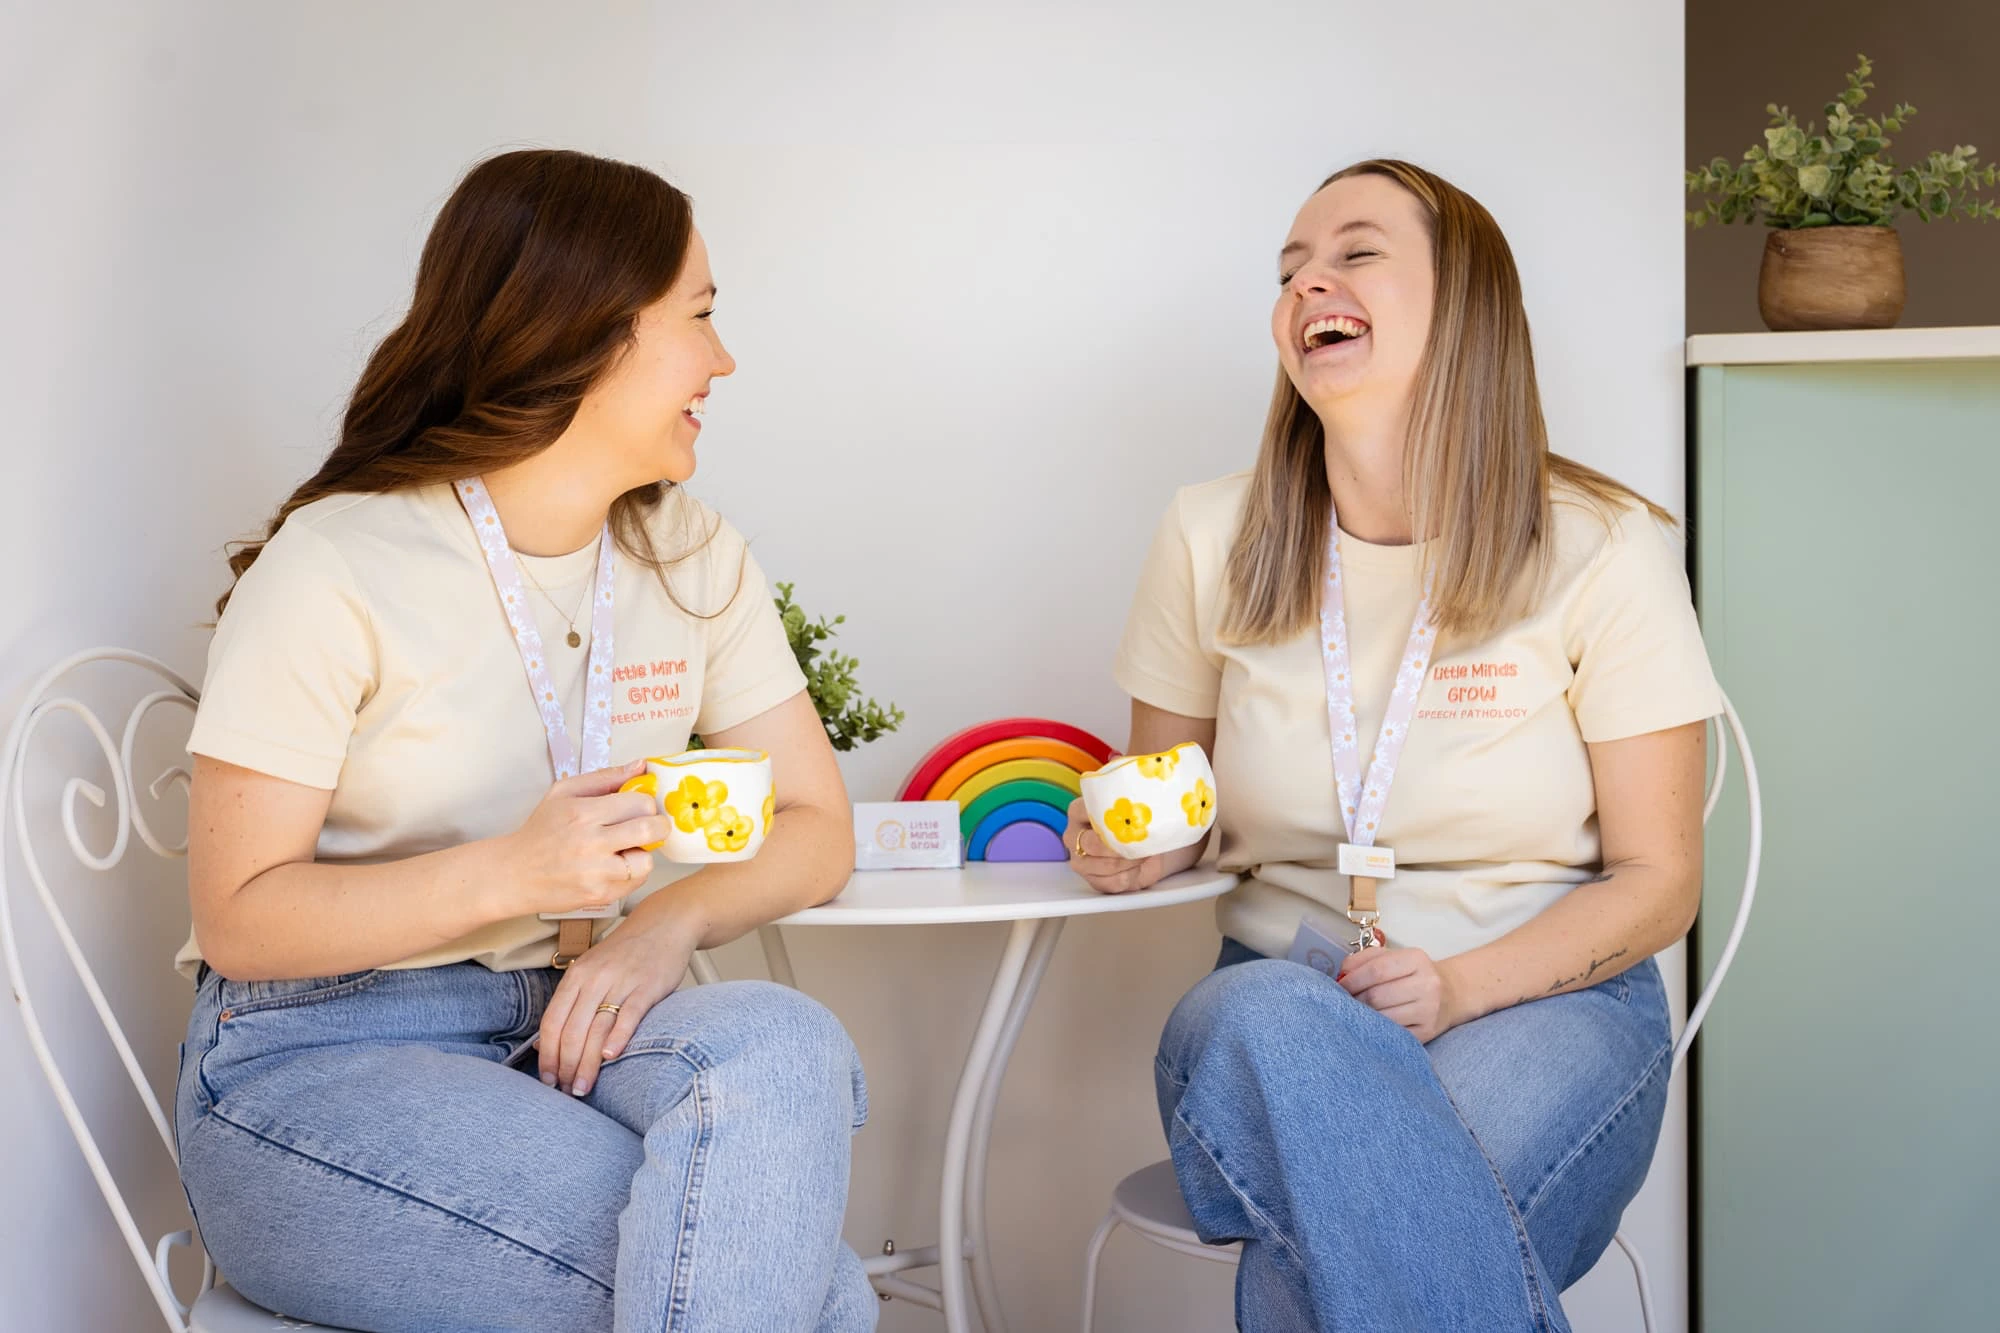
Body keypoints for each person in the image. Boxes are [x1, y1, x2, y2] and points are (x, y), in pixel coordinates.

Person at [174, 149, 877, 1333]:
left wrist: (661, 927)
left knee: (781, 1037)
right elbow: (241, 917)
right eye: (700, 316)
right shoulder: (339, 562)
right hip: (315, 1055)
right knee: (811, 1297)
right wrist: (512, 872)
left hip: (574, 1020)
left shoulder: (689, 554)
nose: (722, 360)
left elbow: (818, 828)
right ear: (592, 331)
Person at [1066, 159, 1722, 1332]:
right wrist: (1133, 844)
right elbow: (1172, 802)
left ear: (1463, 302)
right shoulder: (1208, 534)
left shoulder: (1601, 545)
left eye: (1354, 253)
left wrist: (1459, 984)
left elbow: (1659, 879)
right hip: (1273, 1011)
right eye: (1288, 270)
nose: (1305, 283)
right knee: (1274, 1027)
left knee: (1335, 1236)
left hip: (1542, 1000)